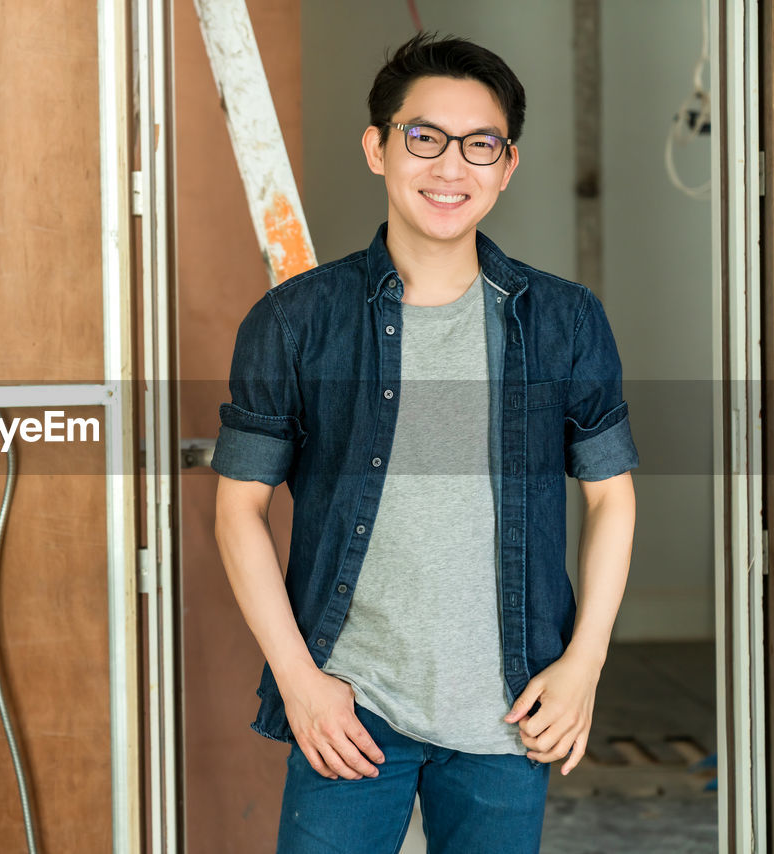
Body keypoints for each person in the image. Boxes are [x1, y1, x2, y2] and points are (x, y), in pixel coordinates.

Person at [210, 32, 638, 853]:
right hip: (350, 706)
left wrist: (582, 665)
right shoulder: (297, 324)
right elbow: (238, 512)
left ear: (507, 165)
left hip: (511, 709)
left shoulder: (564, 321)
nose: (452, 168)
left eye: (481, 145)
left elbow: (612, 496)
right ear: (377, 148)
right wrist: (302, 686)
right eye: (424, 137)